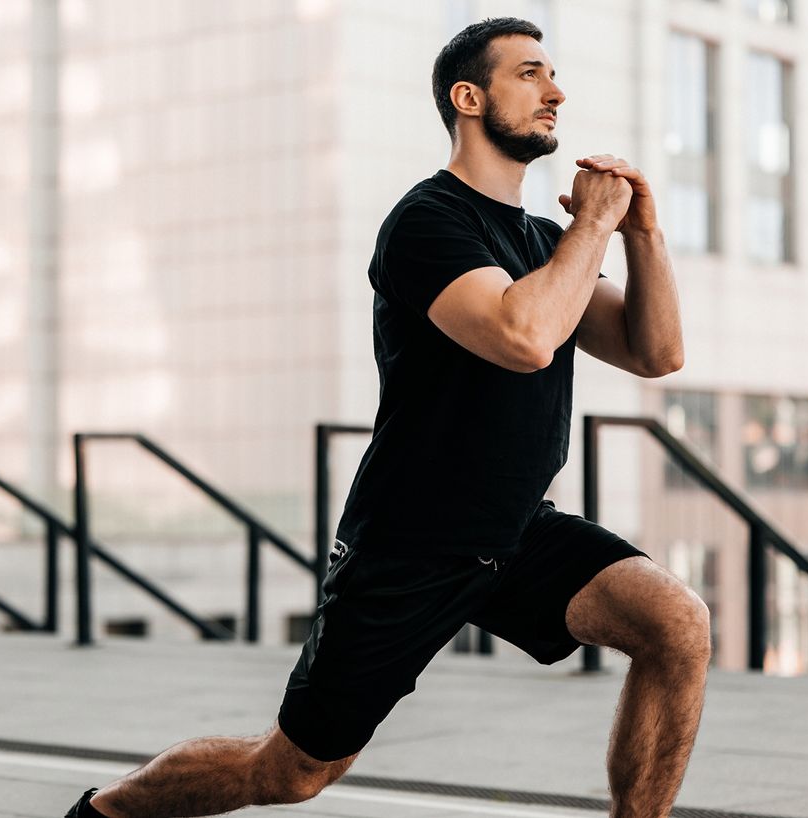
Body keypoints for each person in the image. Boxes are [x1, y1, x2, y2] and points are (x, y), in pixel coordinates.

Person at [67, 16, 709, 818]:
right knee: (290, 772)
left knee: (675, 624)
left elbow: (657, 354)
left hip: (514, 529)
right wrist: (592, 226)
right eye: (531, 74)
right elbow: (523, 336)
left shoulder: (547, 241)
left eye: (554, 76)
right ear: (468, 97)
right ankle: (105, 813)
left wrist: (641, 233)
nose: (557, 91)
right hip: (410, 542)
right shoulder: (426, 222)